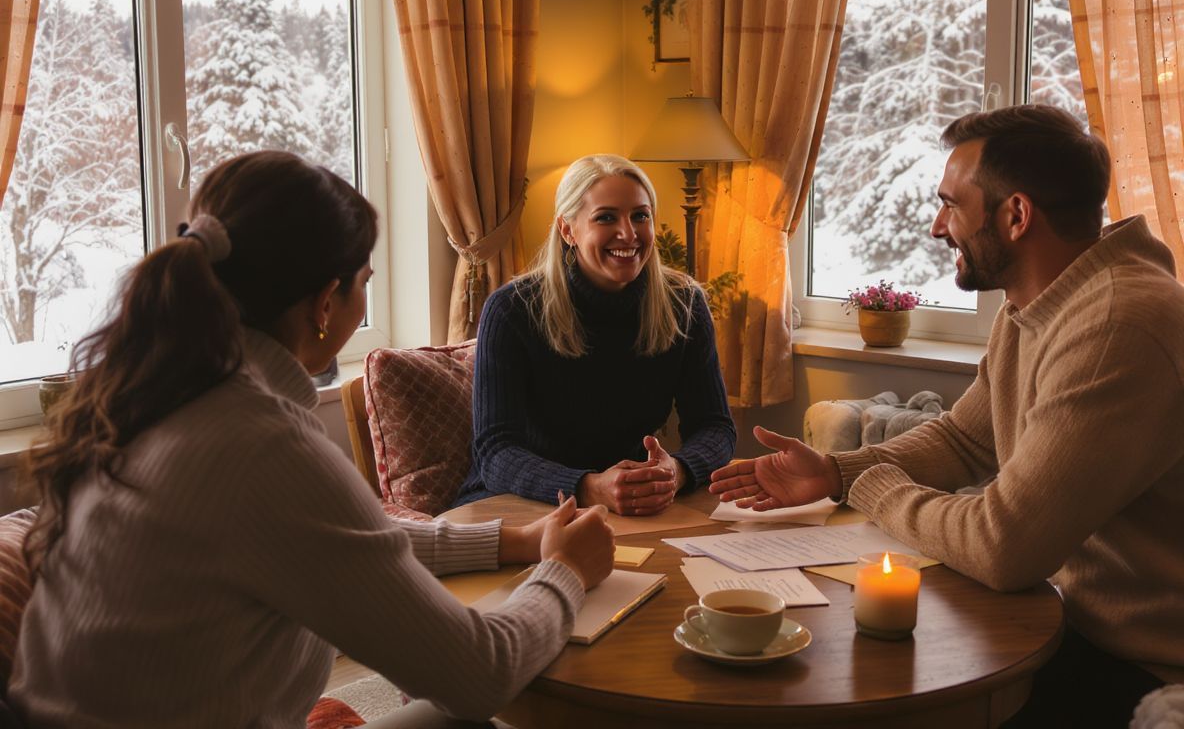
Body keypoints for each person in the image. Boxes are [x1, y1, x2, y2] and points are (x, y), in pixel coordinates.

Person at [10, 151, 615, 729]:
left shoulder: (147, 401)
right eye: (364, 283)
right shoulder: (265, 447)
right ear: (326, 302)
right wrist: (565, 572)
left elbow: (335, 540)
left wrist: (518, 540)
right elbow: (481, 675)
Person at [710, 105, 1184, 725]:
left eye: (951, 204)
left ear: (1016, 216)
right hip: (1068, 624)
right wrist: (834, 471)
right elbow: (965, 440)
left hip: (1142, 670)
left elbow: (1003, 545)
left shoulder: (1116, 326)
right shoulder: (1039, 301)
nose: (937, 226)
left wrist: (873, 486)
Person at [457, 154, 736, 516]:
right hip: (519, 503)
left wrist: (677, 472)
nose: (629, 233)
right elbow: (496, 453)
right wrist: (587, 488)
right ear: (567, 230)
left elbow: (714, 425)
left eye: (641, 215)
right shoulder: (512, 310)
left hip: (627, 506)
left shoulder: (683, 303)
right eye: (606, 217)